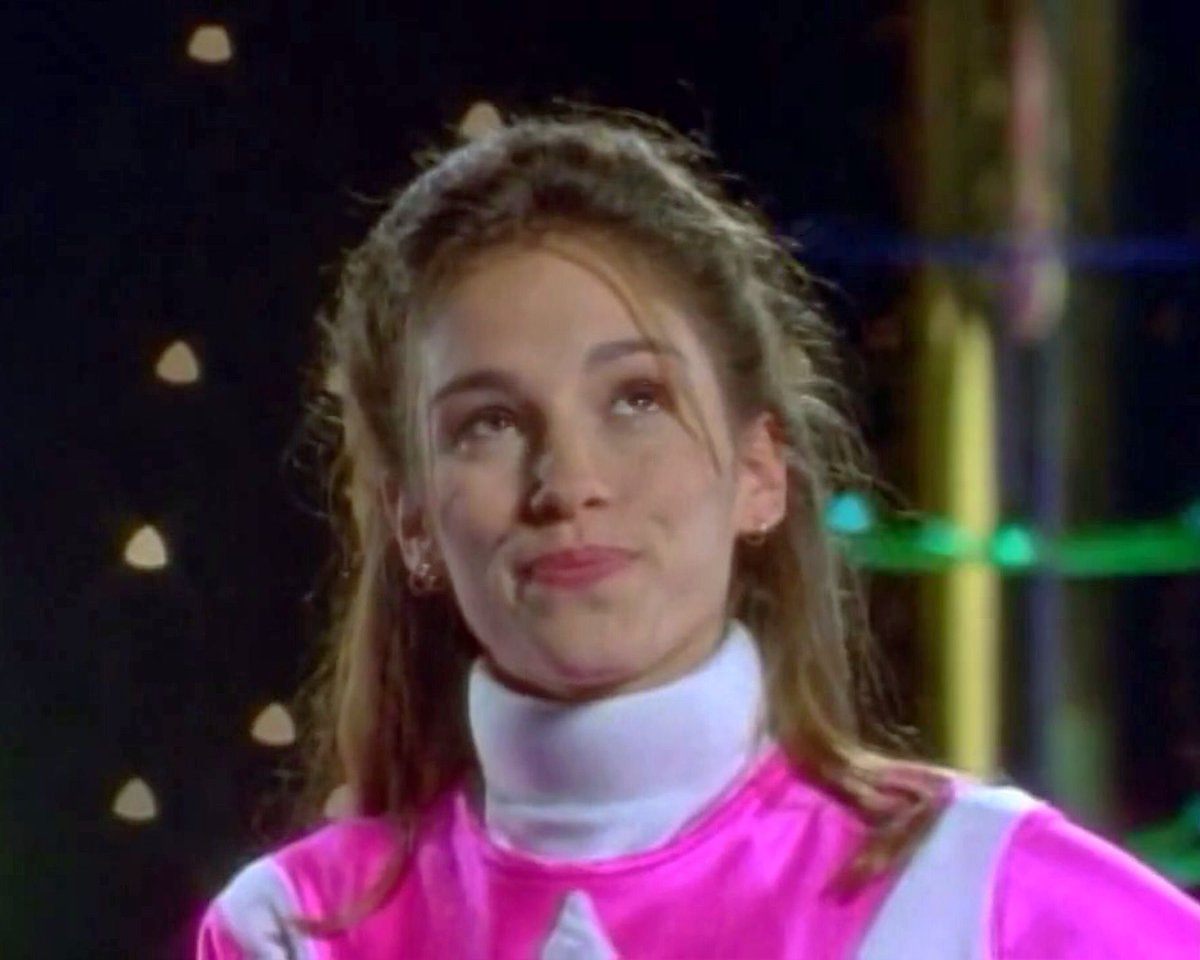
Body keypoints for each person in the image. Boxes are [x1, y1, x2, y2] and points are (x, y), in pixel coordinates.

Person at [196, 110, 1200, 959]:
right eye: (488, 424)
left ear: (760, 472)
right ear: (412, 519)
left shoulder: (979, 892)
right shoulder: (291, 930)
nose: (568, 484)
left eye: (636, 400)